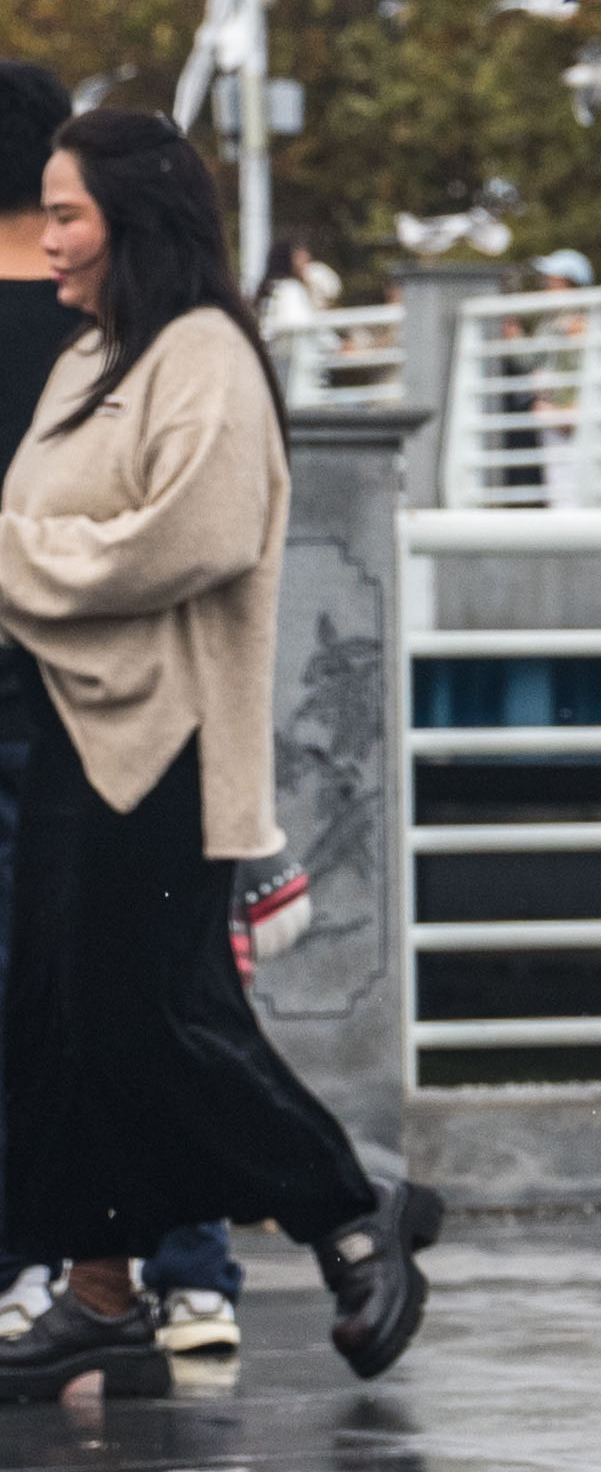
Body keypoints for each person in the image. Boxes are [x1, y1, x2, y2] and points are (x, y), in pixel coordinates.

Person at [0, 109, 437, 1398]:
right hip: (81, 729)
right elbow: (44, 520)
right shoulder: (96, 357)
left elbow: (185, 536)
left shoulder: (205, 354)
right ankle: (97, 1291)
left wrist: (13, 559)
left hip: (169, 744)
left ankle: (352, 1208)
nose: (50, 238)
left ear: (131, 218)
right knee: (61, 1018)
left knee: (158, 1020)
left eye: (68, 213)